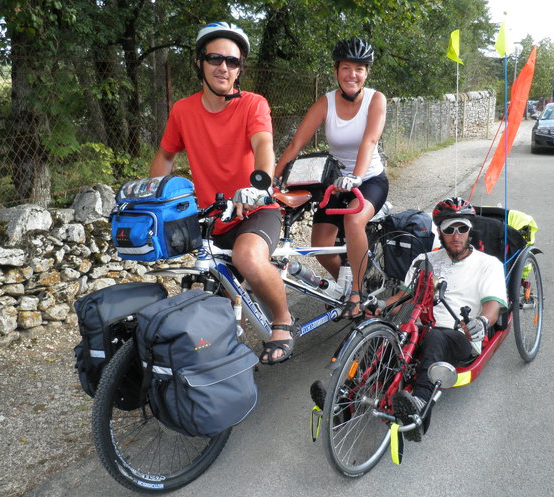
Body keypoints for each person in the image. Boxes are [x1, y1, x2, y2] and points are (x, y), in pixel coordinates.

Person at [149, 22, 295, 365]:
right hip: (212, 214)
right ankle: (232, 349)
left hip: (254, 208)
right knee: (211, 283)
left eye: (233, 62)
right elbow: (166, 156)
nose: (224, 68)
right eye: (215, 58)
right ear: (200, 62)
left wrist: (258, 187)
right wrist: (153, 195)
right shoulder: (183, 110)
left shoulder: (253, 104)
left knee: (248, 259)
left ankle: (283, 322)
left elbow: (263, 143)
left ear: (240, 69)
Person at [372, 198, 507, 441]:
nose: (456, 235)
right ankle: (346, 396)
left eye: (462, 228)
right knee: (379, 332)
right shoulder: (424, 261)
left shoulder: (488, 265)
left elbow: (492, 306)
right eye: (449, 229)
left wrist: (483, 322)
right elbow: (403, 299)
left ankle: (420, 405)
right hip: (415, 328)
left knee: (435, 336)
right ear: (440, 233)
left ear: (469, 231)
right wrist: (379, 306)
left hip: (458, 335)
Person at [274, 37, 388, 319]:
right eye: (347, 68)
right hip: (336, 183)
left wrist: (357, 177)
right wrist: (272, 179)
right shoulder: (325, 103)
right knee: (322, 248)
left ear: (367, 72)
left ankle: (358, 293)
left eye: (360, 68)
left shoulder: (376, 99)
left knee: (352, 219)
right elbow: (295, 145)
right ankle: (348, 283)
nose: (353, 74)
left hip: (369, 180)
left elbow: (369, 140)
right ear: (337, 71)